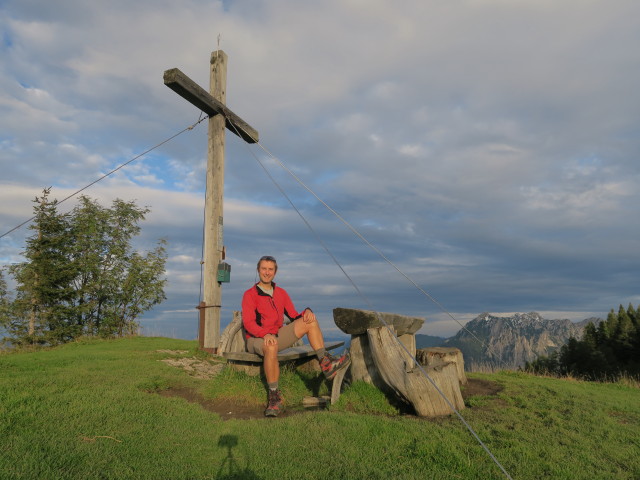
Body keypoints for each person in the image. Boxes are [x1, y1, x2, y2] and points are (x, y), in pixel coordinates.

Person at [241, 255, 350, 417]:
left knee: (310, 321)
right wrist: (265, 334)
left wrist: (306, 312)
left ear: (275, 272)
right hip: (256, 339)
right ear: (258, 270)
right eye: (264, 269)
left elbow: (293, 316)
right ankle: (274, 396)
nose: (267, 272)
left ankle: (326, 363)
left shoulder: (281, 293)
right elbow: (249, 323)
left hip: (277, 335)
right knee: (271, 345)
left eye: (270, 269)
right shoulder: (250, 294)